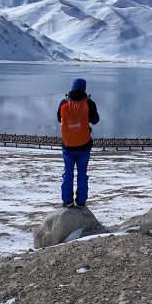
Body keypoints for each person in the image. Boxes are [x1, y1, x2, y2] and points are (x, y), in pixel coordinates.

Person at [56, 78, 100, 208]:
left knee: (68, 172)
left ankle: (67, 200)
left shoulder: (64, 102)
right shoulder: (89, 103)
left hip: (68, 145)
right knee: (82, 172)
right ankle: (81, 201)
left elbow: (59, 118)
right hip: (84, 145)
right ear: (84, 88)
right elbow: (95, 120)